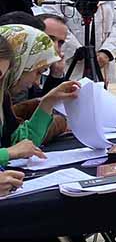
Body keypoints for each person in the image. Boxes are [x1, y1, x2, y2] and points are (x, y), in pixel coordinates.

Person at [0, 25, 81, 168]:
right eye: (38, 72)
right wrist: (8, 153)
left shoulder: (2, 96)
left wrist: (48, 102)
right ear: (20, 65)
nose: (37, 82)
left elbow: (21, 143)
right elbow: (14, 149)